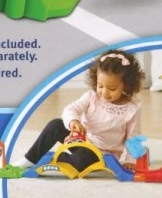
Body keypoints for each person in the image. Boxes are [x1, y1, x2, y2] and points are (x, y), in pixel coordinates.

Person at [15, 49, 145, 174]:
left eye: (112, 88)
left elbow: (133, 137)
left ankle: (52, 160)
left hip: (102, 155)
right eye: (100, 86)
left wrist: (131, 160)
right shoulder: (92, 96)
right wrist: (73, 121)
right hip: (82, 141)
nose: (104, 92)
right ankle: (30, 159)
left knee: (81, 160)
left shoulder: (132, 108)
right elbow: (71, 109)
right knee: (55, 125)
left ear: (126, 85)